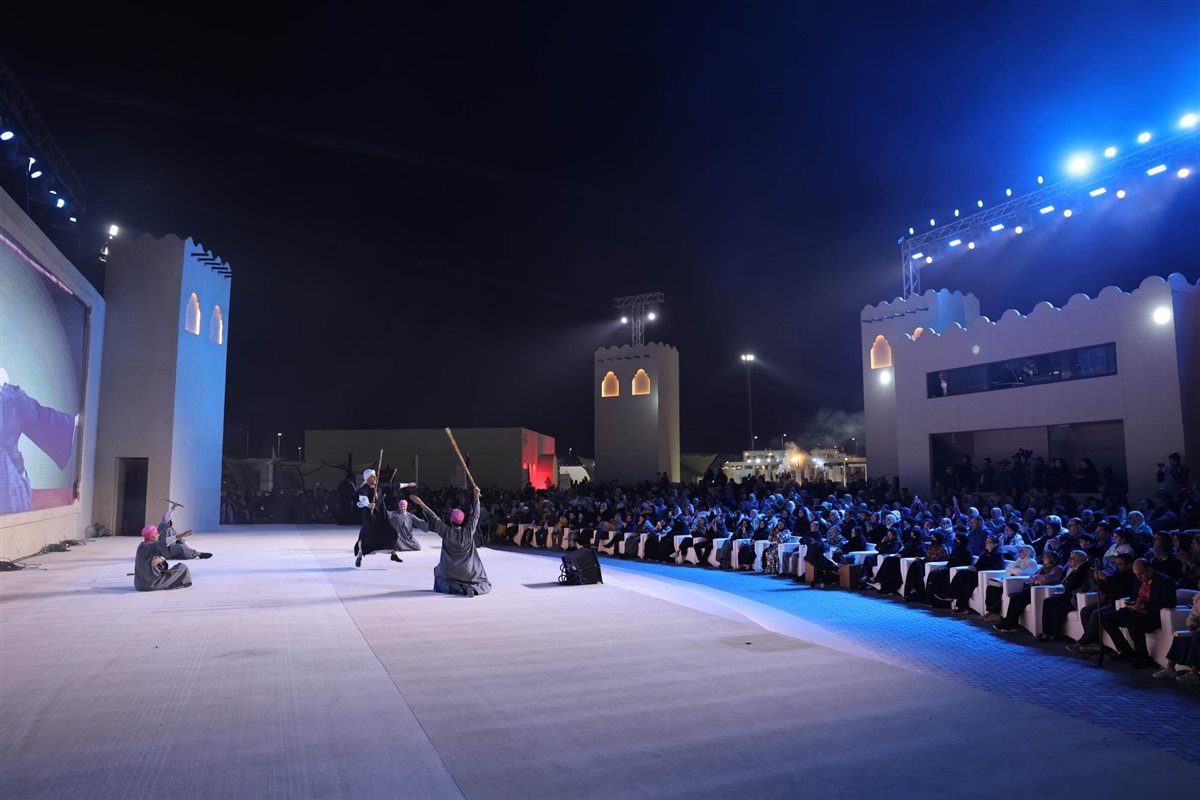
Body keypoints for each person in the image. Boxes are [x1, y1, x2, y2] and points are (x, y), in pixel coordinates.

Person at [0, 366, 78, 515]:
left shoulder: (11, 397)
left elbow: (38, 416)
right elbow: (38, 416)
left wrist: (72, 422)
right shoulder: (13, 397)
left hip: (10, 481)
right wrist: (71, 422)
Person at [412, 487, 491, 597]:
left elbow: (434, 518)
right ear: (463, 520)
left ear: (451, 520)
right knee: (483, 581)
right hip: (469, 572)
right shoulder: (468, 531)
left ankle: (457, 587)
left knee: (438, 573)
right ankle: (471, 587)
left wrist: (421, 503)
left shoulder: (446, 532)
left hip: (450, 573)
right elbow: (475, 516)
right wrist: (476, 496)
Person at [1099, 558, 1178, 667]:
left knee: (1134, 623)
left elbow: (1169, 603)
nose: (1138, 577)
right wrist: (1132, 603)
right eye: (1136, 574)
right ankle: (1126, 651)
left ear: (1149, 569)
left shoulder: (1165, 581)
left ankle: (1143, 657)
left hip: (1153, 614)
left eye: (1141, 574)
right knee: (1105, 618)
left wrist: (1144, 606)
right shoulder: (1137, 579)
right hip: (1136, 610)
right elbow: (1134, 596)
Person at [993, 550, 1064, 633]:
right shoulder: (1044, 567)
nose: (1043, 559)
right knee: (1014, 597)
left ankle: (1009, 624)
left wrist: (1037, 578)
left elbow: (1048, 578)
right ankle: (1009, 623)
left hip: (1040, 591)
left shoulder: (1058, 568)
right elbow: (1031, 577)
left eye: (1045, 557)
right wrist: (1037, 578)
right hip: (1033, 587)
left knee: (1020, 600)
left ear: (1051, 559)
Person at [1035, 550, 1096, 641]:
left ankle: (1055, 634)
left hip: (1076, 597)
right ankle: (1046, 632)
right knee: (1048, 601)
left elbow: (1094, 587)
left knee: (1058, 609)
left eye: (1072, 558)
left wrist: (1081, 594)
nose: (1069, 560)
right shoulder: (1072, 569)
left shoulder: (1088, 570)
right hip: (1067, 594)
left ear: (1079, 560)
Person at [1153, 592, 1200, 684]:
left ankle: (1194, 673)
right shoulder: (1198, 597)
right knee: (1180, 637)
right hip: (1198, 628)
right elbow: (1193, 617)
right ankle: (1170, 668)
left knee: (1197, 638)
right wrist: (1194, 625)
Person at [133, 524, 192, 591]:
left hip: (139, 584)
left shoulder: (142, 546)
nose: (158, 535)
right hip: (152, 584)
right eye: (156, 534)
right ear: (152, 537)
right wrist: (180, 535)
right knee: (183, 567)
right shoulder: (149, 547)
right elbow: (164, 543)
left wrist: (161, 559)